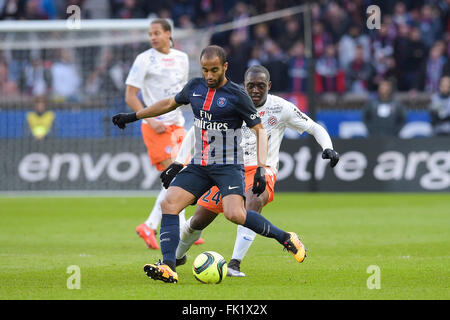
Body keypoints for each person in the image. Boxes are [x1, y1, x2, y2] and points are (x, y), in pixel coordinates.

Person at [112, 45, 306, 283]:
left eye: (214, 70)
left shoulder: (237, 95)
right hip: (200, 165)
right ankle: (168, 266)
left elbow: (260, 131)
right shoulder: (195, 87)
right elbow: (168, 104)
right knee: (169, 203)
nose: (210, 75)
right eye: (205, 70)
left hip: (228, 167)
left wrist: (260, 169)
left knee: (235, 214)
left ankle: (286, 238)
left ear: (225, 67)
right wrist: (133, 116)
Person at [160, 65, 339, 277]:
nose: (255, 90)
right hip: (227, 167)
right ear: (244, 86)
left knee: (253, 200)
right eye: (251, 86)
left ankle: (235, 263)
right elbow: (196, 130)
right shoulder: (232, 101)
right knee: (200, 219)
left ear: (269, 86)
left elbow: (314, 127)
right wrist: (181, 161)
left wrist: (328, 147)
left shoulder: (281, 108)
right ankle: (176, 259)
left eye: (260, 86)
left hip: (262, 169)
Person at [124, 18, 203, 250]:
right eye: (150, 34)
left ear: (169, 33)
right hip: (154, 126)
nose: (153, 37)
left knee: (181, 175)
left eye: (157, 33)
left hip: (177, 124)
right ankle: (174, 228)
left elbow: (181, 92)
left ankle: (152, 226)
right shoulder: (143, 59)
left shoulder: (181, 58)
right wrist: (149, 119)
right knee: (177, 177)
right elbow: (130, 95)